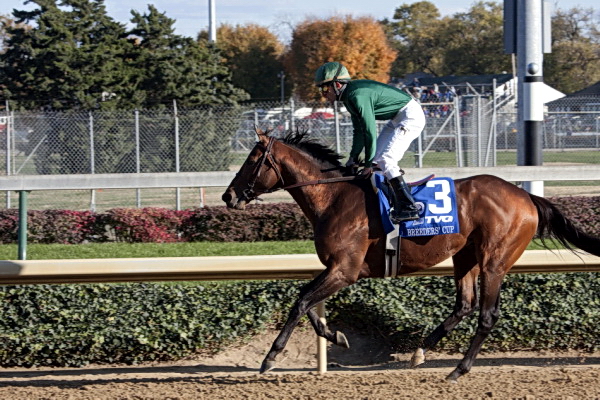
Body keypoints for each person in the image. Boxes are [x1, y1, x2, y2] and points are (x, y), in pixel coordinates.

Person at [314, 61, 426, 222]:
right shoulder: (349, 97)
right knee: (376, 162)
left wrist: (366, 164)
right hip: (397, 118)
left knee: (386, 159)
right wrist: (353, 158)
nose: (323, 94)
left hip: (410, 116)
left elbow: (369, 132)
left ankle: (409, 207)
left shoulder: (356, 95)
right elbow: (359, 131)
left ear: (337, 85)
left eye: (324, 88)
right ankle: (388, 203)